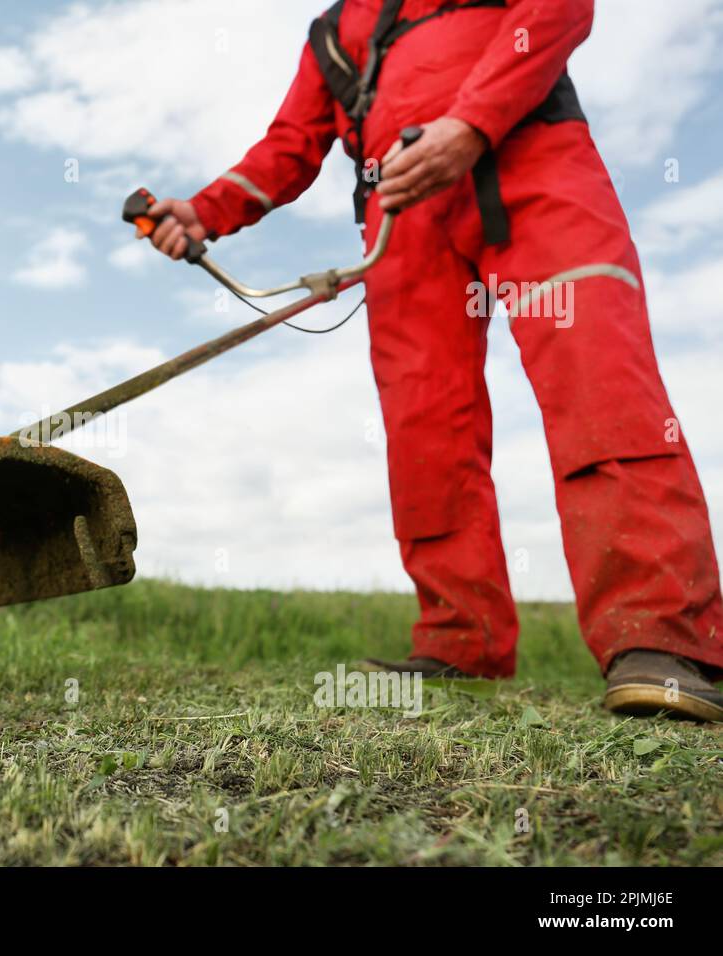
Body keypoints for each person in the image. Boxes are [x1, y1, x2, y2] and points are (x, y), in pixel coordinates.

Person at [140, 0, 723, 720]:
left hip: (536, 164)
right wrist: (208, 209)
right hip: (401, 216)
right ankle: (459, 640)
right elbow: (290, 143)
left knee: (597, 380)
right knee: (424, 429)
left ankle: (660, 639)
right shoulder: (331, 32)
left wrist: (471, 124)